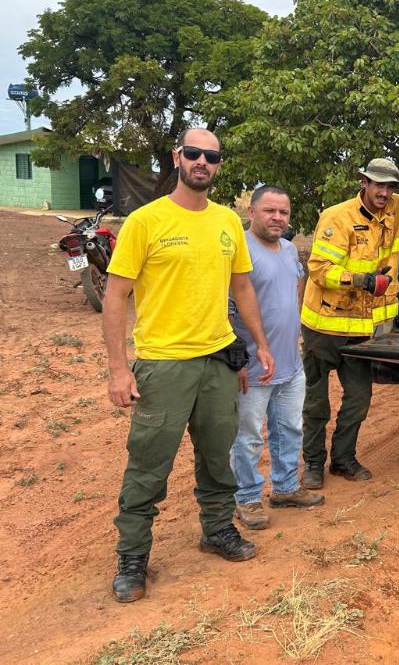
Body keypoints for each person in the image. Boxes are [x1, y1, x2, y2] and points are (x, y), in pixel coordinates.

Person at [103, 128, 275, 603]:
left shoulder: (226, 223)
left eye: (212, 156)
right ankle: (133, 556)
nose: (203, 162)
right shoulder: (145, 221)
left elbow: (242, 288)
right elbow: (116, 295)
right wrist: (119, 370)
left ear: (219, 164)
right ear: (179, 157)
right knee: (148, 466)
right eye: (195, 153)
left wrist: (258, 344)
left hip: (219, 361)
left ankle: (217, 530)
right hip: (163, 364)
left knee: (217, 456)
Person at [300, 158, 399, 488]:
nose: (384, 192)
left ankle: (343, 459)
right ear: (364, 182)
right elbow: (319, 270)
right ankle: (313, 464)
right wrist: (362, 280)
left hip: (362, 332)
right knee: (317, 401)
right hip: (324, 327)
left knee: (359, 399)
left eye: (390, 186)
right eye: (378, 184)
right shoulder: (338, 217)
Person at [229, 186, 324, 531]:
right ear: (251, 212)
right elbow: (227, 306)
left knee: (289, 427)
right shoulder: (239, 250)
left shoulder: (288, 250)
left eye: (283, 212)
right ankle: (247, 497)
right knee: (249, 435)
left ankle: (285, 488)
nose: (277, 218)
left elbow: (295, 291)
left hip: (289, 363)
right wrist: (237, 357)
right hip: (252, 367)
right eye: (269, 211)